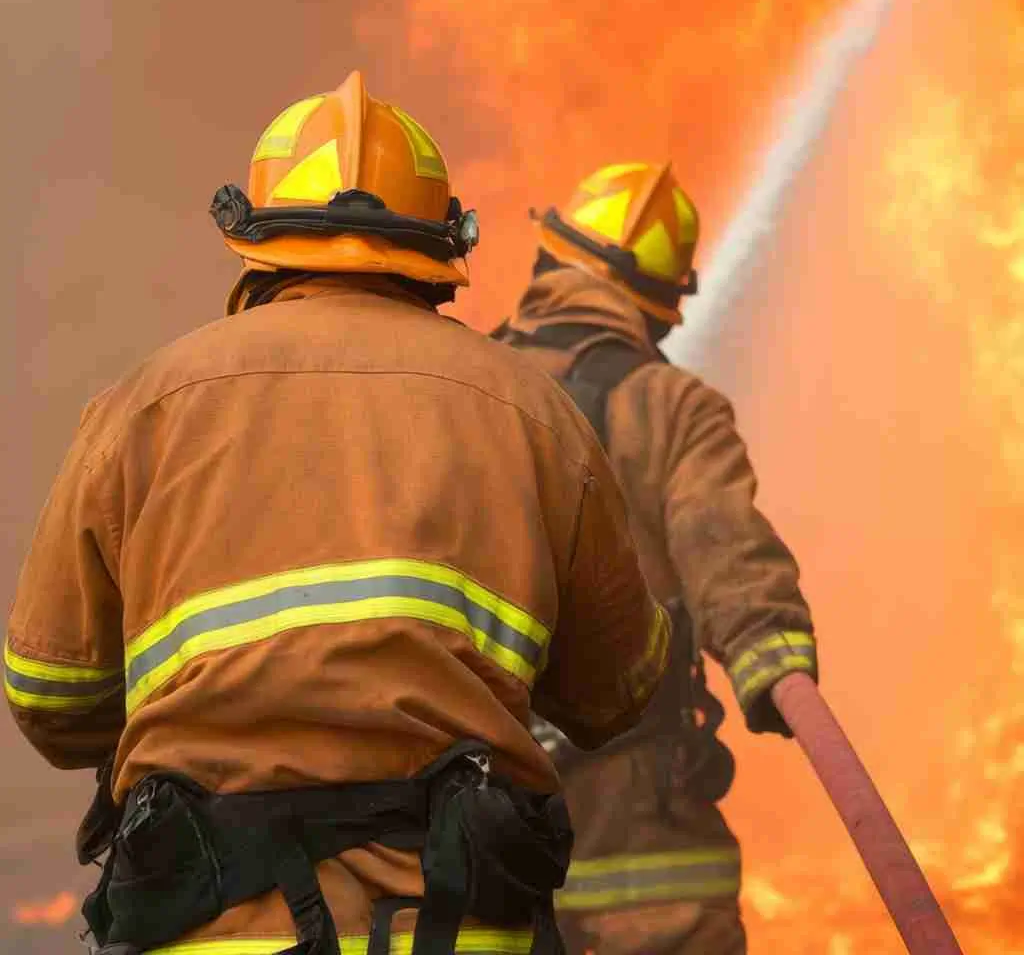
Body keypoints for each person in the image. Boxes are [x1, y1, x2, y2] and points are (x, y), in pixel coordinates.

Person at [5, 77, 673, 955]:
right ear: (441, 246)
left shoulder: (143, 408)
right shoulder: (534, 412)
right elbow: (616, 691)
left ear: (254, 239)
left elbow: (49, 696)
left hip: (217, 930)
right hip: (460, 927)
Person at [492, 162, 819, 955]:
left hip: (464, 787)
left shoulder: (447, 389)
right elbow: (726, 549)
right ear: (663, 309)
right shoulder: (671, 406)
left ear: (548, 263)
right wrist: (776, 661)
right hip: (631, 799)